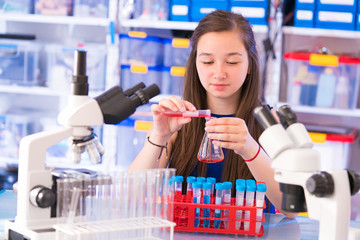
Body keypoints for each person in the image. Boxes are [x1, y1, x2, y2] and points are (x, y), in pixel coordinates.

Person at [129, 10, 297, 218]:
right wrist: (158, 137)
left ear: (249, 65)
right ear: (195, 63)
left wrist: (250, 149)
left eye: (232, 62)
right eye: (208, 62)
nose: (219, 73)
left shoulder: (271, 123)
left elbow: (292, 209)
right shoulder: (175, 120)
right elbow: (132, 196)